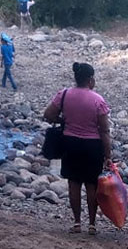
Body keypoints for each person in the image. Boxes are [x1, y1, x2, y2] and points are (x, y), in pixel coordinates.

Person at [43, 62, 112, 235]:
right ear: (90, 79)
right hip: (92, 146)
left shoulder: (64, 94)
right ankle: (92, 224)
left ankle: (76, 223)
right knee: (91, 185)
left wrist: (64, 121)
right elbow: (104, 130)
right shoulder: (98, 100)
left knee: (73, 184)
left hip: (70, 143)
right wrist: (108, 155)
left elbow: (48, 115)